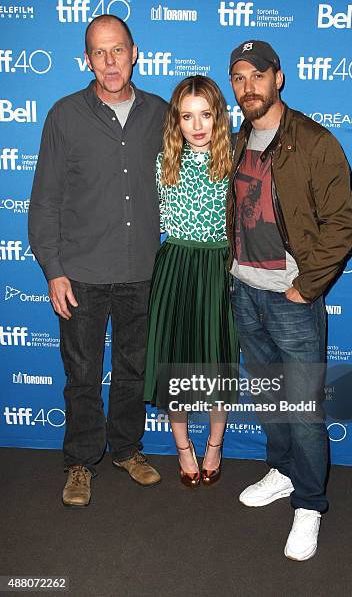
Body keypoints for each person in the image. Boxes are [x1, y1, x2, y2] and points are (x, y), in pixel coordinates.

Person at [227, 41, 352, 559]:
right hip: (244, 292)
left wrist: (307, 286)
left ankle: (309, 504)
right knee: (268, 399)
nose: (247, 87)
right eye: (238, 78)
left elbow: (344, 223)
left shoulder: (312, 141)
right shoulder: (237, 138)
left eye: (257, 75)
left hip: (291, 300)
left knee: (302, 409)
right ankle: (282, 472)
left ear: (278, 78)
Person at [28, 14, 167, 507]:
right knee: (82, 375)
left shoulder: (162, 113)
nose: (110, 62)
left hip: (143, 272)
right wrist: (53, 270)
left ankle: (127, 450)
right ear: (87, 58)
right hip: (81, 275)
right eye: (99, 52)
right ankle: (80, 463)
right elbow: (44, 200)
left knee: (133, 371)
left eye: (118, 50)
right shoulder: (65, 115)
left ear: (135, 52)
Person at [143, 75, 239, 487]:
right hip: (176, 267)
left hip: (220, 267)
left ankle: (215, 445)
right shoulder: (164, 161)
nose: (197, 125)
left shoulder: (236, 160)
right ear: (176, 121)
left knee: (219, 360)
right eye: (187, 116)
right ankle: (183, 448)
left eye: (205, 114)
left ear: (218, 116)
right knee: (175, 360)